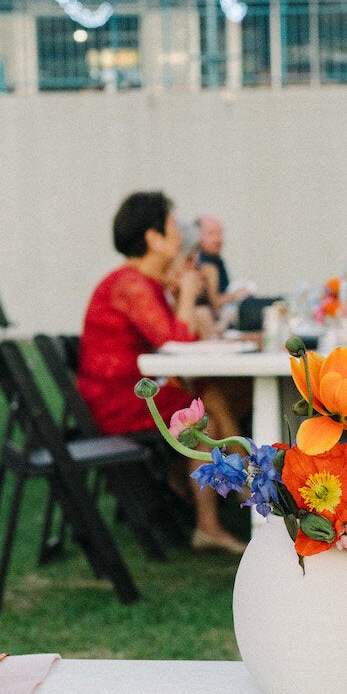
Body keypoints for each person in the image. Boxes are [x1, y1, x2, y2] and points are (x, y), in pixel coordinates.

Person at [77, 191, 247, 555]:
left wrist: (178, 292)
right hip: (119, 402)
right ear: (153, 238)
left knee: (219, 393)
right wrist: (186, 293)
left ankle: (237, 493)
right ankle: (242, 497)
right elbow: (175, 343)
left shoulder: (144, 283)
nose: (181, 236)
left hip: (138, 392)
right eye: (172, 227)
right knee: (208, 403)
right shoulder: (130, 283)